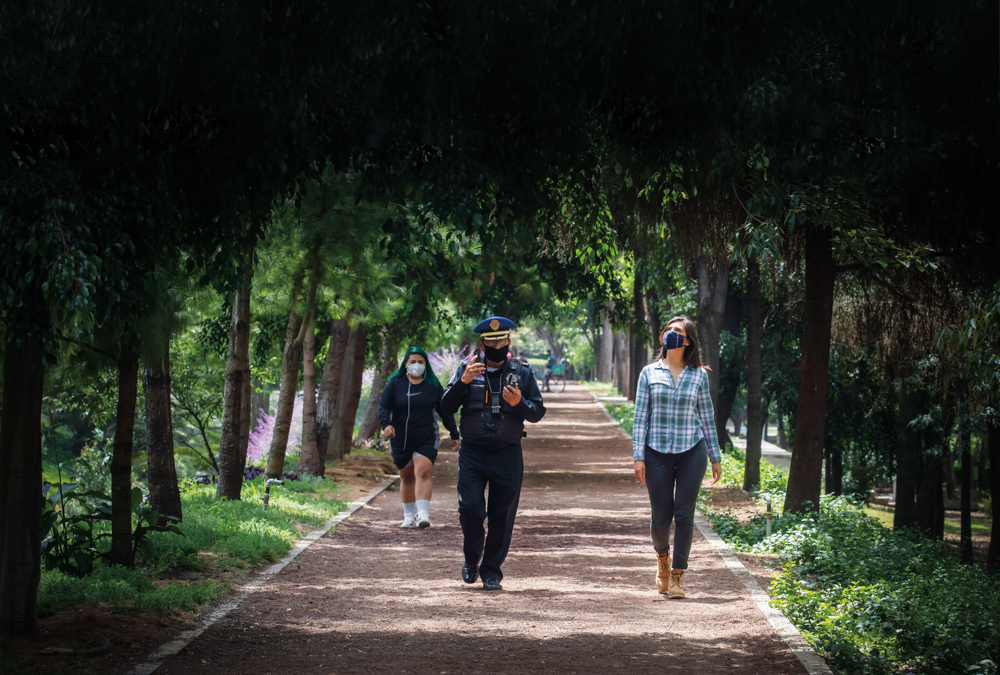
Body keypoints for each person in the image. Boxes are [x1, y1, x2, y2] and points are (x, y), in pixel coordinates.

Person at [442, 316, 545, 591]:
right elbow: (445, 406)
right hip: (473, 453)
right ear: (481, 344)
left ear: (509, 341)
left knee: (502, 515)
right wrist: (462, 382)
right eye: (491, 342)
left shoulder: (522, 371)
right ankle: (471, 558)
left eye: (501, 341)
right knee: (471, 509)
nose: (497, 345)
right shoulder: (467, 369)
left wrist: (519, 403)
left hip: (508, 453)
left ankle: (491, 572)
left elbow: (537, 412)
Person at [631, 316, 722, 599]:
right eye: (668, 330)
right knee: (661, 516)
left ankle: (678, 577)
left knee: (684, 513)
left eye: (678, 331)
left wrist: (715, 455)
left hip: (691, 451)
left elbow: (707, 417)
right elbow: (640, 417)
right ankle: (663, 559)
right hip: (655, 451)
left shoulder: (699, 376)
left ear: (688, 341)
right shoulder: (648, 373)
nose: (671, 334)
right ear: (663, 337)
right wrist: (638, 455)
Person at [379, 346, 460, 529]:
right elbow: (383, 407)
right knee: (406, 477)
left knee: (423, 472)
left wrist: (454, 433)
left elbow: (444, 412)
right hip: (400, 438)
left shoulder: (432, 385)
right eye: (413, 362)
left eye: (421, 362)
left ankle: (423, 514)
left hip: (426, 437)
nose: (417, 365)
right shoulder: (395, 383)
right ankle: (408, 516)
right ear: (405, 364)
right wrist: (386, 425)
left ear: (426, 364)